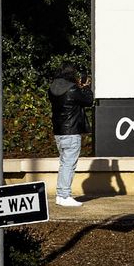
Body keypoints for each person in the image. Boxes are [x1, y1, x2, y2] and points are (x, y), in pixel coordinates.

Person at [48, 64, 94, 207]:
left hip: (59, 132)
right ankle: (64, 195)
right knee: (69, 164)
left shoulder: (52, 89)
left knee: (64, 163)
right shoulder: (72, 89)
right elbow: (88, 101)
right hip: (72, 132)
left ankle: (61, 195)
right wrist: (85, 87)